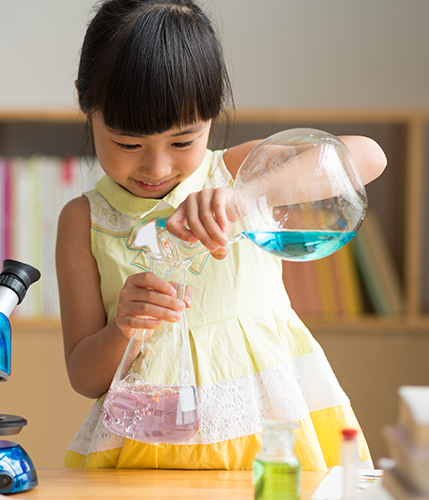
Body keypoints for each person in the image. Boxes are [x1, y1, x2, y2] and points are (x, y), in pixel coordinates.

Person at [56, 0, 386, 471]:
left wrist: (244, 197)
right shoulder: (83, 220)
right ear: (86, 105)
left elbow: (369, 157)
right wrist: (123, 328)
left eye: (183, 141)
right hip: (150, 447)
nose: (157, 166)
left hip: (273, 433)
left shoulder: (235, 173)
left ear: (213, 114)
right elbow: (84, 376)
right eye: (128, 144)